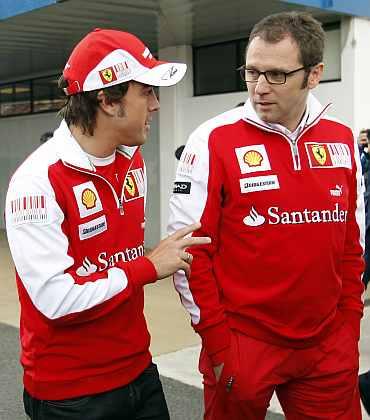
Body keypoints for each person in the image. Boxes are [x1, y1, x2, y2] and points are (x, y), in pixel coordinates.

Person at [5, 28, 211, 420]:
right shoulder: (37, 181)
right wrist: (148, 267)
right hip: (71, 395)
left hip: (138, 371)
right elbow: (56, 301)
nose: (156, 105)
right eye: (146, 91)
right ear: (108, 101)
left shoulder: (133, 158)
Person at [168, 11, 365, 420]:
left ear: (314, 75)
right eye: (251, 72)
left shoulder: (341, 138)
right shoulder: (212, 139)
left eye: (276, 75)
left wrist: (348, 326)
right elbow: (190, 254)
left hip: (327, 344)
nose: (259, 88)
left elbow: (352, 245)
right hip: (244, 343)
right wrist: (219, 344)